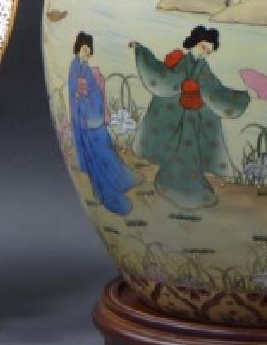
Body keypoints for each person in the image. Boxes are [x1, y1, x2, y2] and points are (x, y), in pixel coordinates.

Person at [131, 26, 251, 209]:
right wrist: (141, 51)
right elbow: (164, 77)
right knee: (176, 149)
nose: (205, 52)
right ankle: (171, 182)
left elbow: (215, 90)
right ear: (195, 43)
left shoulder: (203, 68)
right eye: (203, 47)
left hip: (194, 118)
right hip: (176, 115)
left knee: (191, 150)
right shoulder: (180, 60)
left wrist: (243, 97)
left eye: (209, 51)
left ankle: (191, 182)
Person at [68, 32, 138, 214]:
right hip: (86, 118)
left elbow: (92, 90)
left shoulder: (84, 67)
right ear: (78, 48)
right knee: (96, 156)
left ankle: (120, 180)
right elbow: (75, 90)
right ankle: (107, 193)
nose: (87, 52)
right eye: (85, 49)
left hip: (94, 116)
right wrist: (83, 95)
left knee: (105, 149)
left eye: (89, 50)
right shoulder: (75, 67)